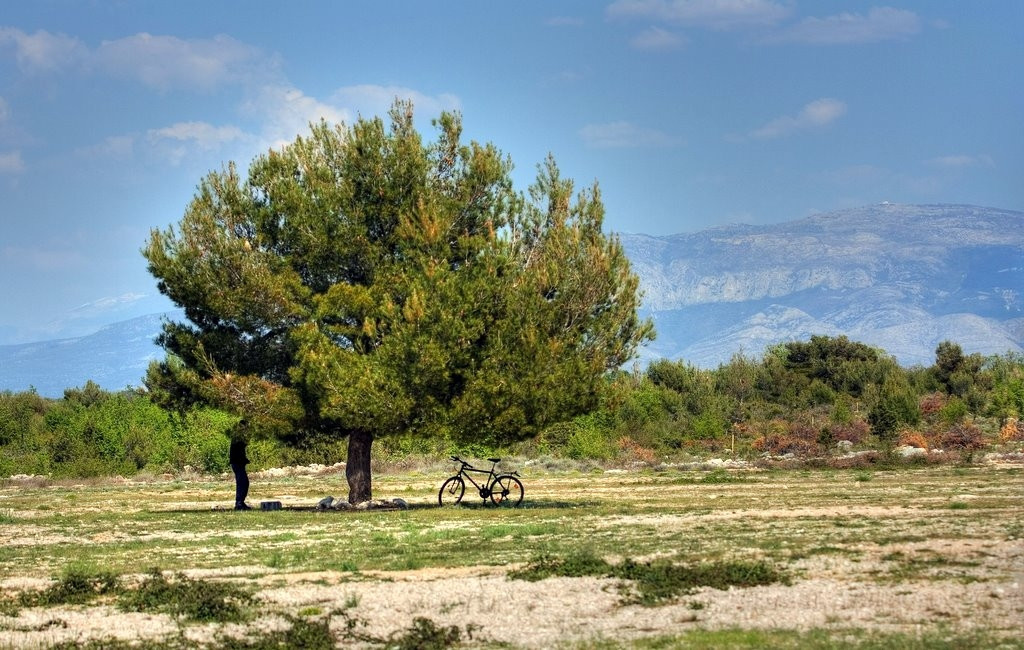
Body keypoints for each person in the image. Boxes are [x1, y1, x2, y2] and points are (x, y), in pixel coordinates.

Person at [229, 437, 251, 510]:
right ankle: (239, 503)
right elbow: (238, 452)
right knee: (242, 483)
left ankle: (241, 502)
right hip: (237, 463)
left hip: (237, 463)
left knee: (244, 482)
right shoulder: (238, 437)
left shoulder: (238, 436)